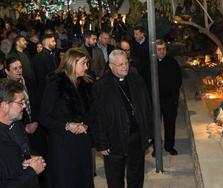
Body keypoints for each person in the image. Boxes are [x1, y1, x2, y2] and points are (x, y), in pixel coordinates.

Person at [92, 49, 152, 188]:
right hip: (114, 140)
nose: (125, 66)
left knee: (136, 176)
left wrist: (148, 132)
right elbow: (97, 117)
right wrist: (101, 143)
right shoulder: (101, 87)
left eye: (126, 63)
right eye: (120, 64)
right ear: (111, 66)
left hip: (136, 138)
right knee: (115, 178)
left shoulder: (136, 78)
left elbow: (146, 107)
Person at [39, 48, 95, 188]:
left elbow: (92, 112)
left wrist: (86, 125)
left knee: (84, 178)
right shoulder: (55, 84)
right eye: (83, 63)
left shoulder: (86, 83)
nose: (86, 67)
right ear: (72, 63)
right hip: (62, 143)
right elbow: (44, 117)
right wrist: (67, 126)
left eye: (87, 63)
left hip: (82, 141)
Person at [0, 79, 46, 188]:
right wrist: (32, 171)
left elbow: (26, 150)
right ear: (4, 106)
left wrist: (33, 158)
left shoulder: (17, 124)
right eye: (21, 102)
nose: (24, 106)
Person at [154, 39, 182, 155]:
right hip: (155, 100)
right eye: (159, 49)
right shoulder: (151, 63)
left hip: (169, 100)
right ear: (155, 50)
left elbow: (178, 80)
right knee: (155, 125)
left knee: (170, 123)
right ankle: (156, 148)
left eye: (163, 49)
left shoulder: (172, 62)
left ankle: (169, 146)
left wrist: (175, 98)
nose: (162, 51)